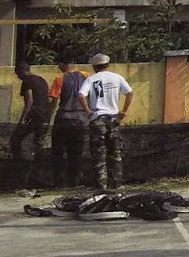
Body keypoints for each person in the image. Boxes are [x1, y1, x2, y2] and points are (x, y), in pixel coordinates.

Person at [79, 53, 133, 191]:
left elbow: (81, 94)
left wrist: (88, 110)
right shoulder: (117, 77)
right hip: (113, 118)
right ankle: (116, 184)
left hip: (98, 118)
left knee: (99, 154)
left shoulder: (91, 80)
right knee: (115, 152)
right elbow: (129, 92)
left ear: (94, 66)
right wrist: (124, 111)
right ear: (107, 65)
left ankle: (101, 185)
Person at [49, 56, 91, 188]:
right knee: (77, 152)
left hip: (64, 119)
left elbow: (54, 100)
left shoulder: (60, 78)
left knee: (58, 152)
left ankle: (60, 182)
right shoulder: (86, 76)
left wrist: (49, 117)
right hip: (81, 120)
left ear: (62, 64)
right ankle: (75, 181)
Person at [9, 60, 52, 186]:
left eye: (18, 74)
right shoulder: (42, 80)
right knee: (38, 144)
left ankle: (21, 169)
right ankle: (39, 173)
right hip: (43, 116)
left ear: (22, 71)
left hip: (33, 117)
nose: (18, 77)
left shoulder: (27, 82)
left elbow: (29, 101)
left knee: (16, 141)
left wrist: (22, 120)